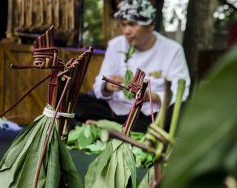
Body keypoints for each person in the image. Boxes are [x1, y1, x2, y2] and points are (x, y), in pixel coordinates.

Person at [74, 0, 191, 132]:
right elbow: (98, 86)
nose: (126, 31)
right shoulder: (116, 45)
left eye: (132, 24)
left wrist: (150, 96)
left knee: (182, 109)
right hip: (116, 110)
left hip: (150, 115)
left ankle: (113, 128)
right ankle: (121, 128)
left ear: (150, 25)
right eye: (123, 25)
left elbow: (181, 94)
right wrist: (108, 86)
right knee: (76, 100)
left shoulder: (173, 50)